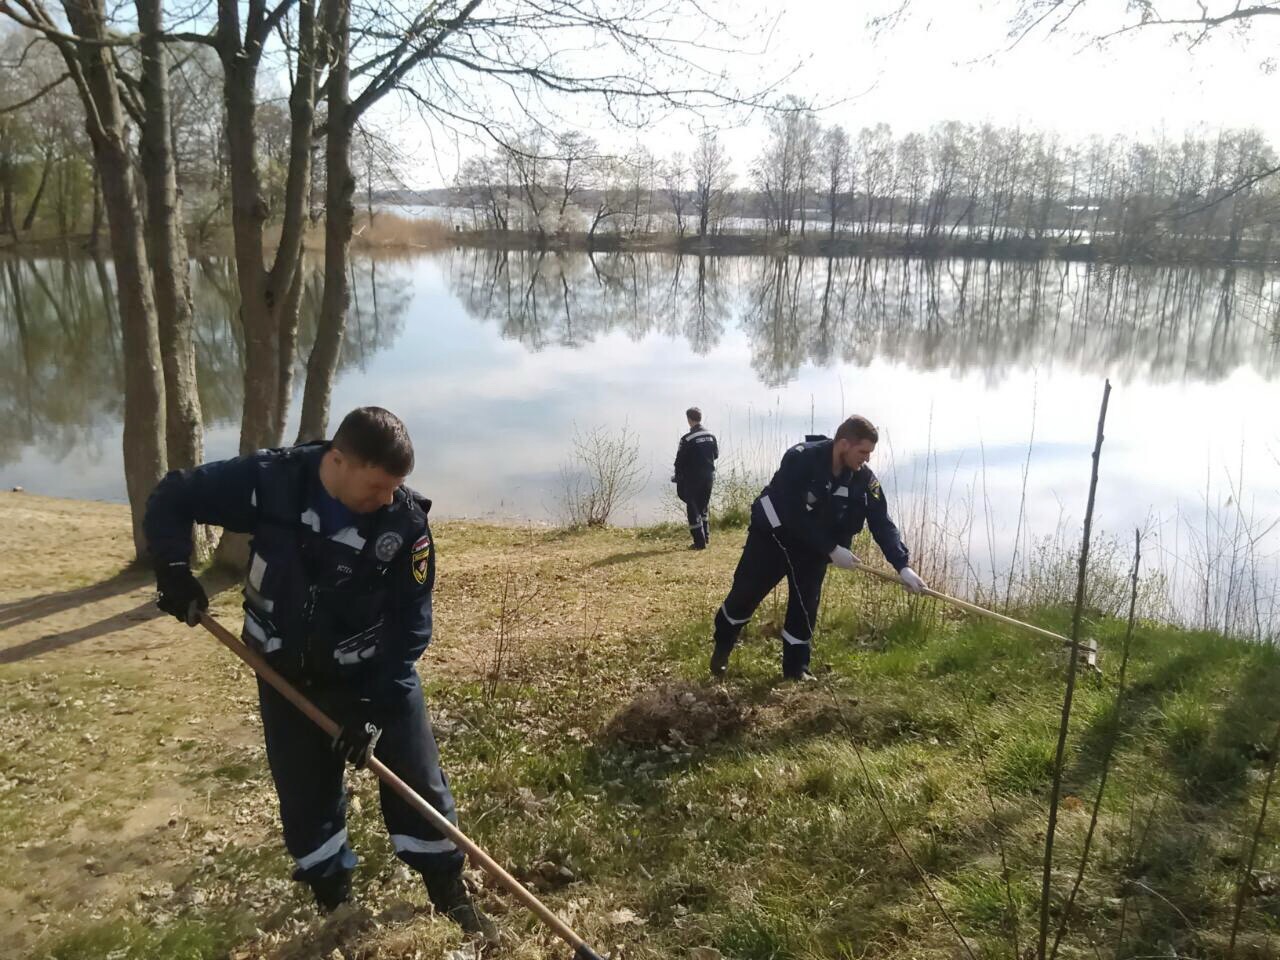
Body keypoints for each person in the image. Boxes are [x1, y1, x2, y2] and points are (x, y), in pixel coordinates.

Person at [143, 407, 493, 937]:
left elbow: (410, 628)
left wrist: (371, 712)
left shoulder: (404, 526)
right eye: (376, 486)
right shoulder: (271, 482)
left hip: (374, 677)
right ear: (338, 461)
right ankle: (337, 906)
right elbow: (174, 496)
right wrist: (172, 569)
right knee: (306, 799)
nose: (386, 499)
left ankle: (448, 893)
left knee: (418, 784)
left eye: (394, 487)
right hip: (284, 673)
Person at [709, 415, 926, 682]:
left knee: (805, 607)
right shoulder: (800, 458)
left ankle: (796, 670)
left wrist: (903, 566)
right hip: (773, 539)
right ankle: (722, 647)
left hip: (814, 550)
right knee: (745, 595)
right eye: (863, 452)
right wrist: (832, 549)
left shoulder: (864, 480)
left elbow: (882, 522)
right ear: (843, 444)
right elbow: (791, 512)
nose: (867, 459)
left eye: (870, 453)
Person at [671, 407, 719, 550]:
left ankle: (699, 542)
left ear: (689, 420)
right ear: (700, 418)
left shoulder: (687, 439)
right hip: (709, 476)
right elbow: (716, 455)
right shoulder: (711, 436)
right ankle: (706, 537)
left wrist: (678, 476)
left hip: (693, 478)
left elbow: (679, 461)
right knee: (703, 506)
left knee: (693, 509)